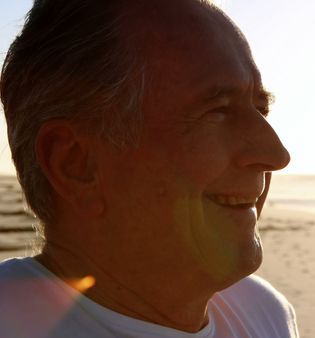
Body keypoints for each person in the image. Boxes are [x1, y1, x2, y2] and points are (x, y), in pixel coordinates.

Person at [0, 0, 298, 337]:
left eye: (261, 110)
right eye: (218, 110)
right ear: (76, 164)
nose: (276, 155)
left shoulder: (263, 311)